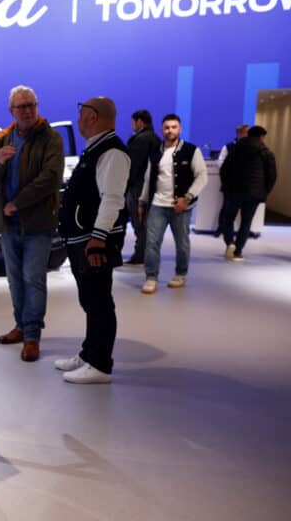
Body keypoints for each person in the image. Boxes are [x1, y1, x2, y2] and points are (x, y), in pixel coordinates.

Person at [0, 85, 64, 362]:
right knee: (15, 280)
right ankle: (20, 325)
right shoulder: (3, 138)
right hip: (9, 223)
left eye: (32, 105)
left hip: (37, 222)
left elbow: (50, 178)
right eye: (22, 107)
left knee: (33, 279)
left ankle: (32, 336)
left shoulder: (50, 138)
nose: (28, 110)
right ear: (11, 111)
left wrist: (18, 202)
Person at [55, 97, 130, 384]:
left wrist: (98, 239)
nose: (77, 121)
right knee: (90, 299)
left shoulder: (111, 152)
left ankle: (100, 364)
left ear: (93, 117)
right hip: (82, 237)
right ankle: (88, 354)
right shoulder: (96, 149)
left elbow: (112, 199)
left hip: (93, 241)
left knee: (99, 300)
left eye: (81, 115)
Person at [140, 113, 207, 294]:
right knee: (152, 243)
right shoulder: (155, 153)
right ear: (162, 130)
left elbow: (202, 176)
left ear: (180, 129)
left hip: (181, 206)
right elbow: (148, 178)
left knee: (182, 243)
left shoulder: (192, 150)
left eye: (174, 127)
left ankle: (180, 274)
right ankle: (151, 277)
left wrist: (187, 197)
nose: (170, 130)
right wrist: (142, 201)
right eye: (167, 127)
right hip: (157, 204)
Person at [218, 125, 277, 261]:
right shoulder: (266, 152)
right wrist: (264, 192)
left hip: (233, 190)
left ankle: (229, 243)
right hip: (254, 194)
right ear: (262, 137)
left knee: (228, 218)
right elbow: (272, 175)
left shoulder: (234, 149)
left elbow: (224, 170)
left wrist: (226, 186)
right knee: (246, 222)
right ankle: (238, 251)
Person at [124, 109, 159, 265]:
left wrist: (125, 185)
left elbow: (133, 166)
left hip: (137, 187)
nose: (132, 125)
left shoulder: (140, 139)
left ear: (139, 121)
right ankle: (144, 254)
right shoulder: (156, 139)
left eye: (133, 122)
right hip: (151, 187)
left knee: (139, 223)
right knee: (145, 222)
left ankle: (140, 255)